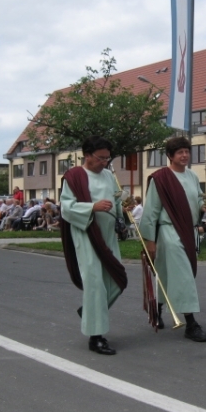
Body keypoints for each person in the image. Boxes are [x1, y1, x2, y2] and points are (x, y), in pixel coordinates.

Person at [140, 136, 206, 342]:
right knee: (183, 276)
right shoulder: (160, 179)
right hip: (169, 231)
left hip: (188, 231)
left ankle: (156, 309)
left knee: (165, 274)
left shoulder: (191, 176)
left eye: (187, 151)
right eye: (180, 152)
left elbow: (197, 199)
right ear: (170, 156)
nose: (184, 155)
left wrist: (203, 207)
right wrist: (149, 240)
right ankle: (190, 323)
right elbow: (151, 211)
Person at [60, 136, 127, 355]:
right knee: (96, 285)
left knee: (117, 281)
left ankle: (89, 313)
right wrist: (92, 207)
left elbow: (116, 201)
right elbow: (67, 208)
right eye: (101, 158)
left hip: (108, 236)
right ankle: (96, 337)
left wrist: (121, 217)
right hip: (87, 235)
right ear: (87, 155)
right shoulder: (74, 177)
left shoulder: (109, 175)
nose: (105, 163)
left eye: (108, 158)